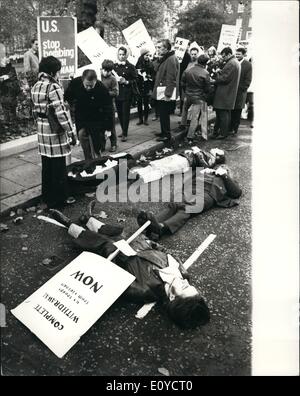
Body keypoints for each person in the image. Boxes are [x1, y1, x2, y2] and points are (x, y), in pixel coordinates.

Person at [49, 209, 211, 329]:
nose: (185, 282)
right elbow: (166, 252)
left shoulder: (144, 292)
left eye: (184, 287)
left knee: (94, 239)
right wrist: (150, 243)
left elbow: (112, 278)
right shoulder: (183, 274)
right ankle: (89, 218)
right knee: (110, 229)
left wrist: (112, 256)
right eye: (189, 285)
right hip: (137, 241)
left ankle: (68, 225)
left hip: (114, 252)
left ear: (173, 298)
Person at [137, 165, 242, 240]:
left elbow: (237, 193)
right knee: (174, 204)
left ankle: (162, 227)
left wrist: (225, 176)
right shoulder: (207, 173)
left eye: (225, 168)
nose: (222, 168)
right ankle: (150, 223)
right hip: (192, 189)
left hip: (208, 194)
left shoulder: (227, 180)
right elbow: (186, 183)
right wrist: (200, 173)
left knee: (187, 208)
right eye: (220, 167)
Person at [31, 56, 76, 209]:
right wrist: (71, 132)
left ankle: (47, 197)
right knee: (58, 165)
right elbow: (61, 113)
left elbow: (35, 111)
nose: (58, 74)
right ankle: (60, 199)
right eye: (58, 71)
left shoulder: (36, 86)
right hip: (54, 131)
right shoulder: (53, 87)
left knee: (47, 165)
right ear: (52, 71)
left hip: (42, 129)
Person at [65, 69, 113, 160]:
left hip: (97, 118)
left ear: (95, 81)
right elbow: (67, 97)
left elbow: (108, 109)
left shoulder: (101, 89)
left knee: (97, 143)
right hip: (81, 116)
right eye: (86, 85)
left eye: (91, 86)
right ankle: (88, 160)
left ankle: (98, 159)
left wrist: (108, 128)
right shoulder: (75, 83)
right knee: (82, 135)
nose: (88, 88)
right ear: (82, 80)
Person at [152, 39, 180, 142]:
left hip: (165, 91)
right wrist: (157, 59)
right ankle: (164, 132)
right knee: (162, 113)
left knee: (164, 113)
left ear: (166, 48)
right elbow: (156, 69)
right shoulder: (166, 58)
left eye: (159, 47)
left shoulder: (171, 59)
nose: (157, 49)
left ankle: (166, 134)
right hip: (161, 89)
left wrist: (168, 94)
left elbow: (171, 78)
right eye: (157, 47)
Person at [180, 54, 211, 144]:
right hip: (198, 97)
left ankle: (183, 124)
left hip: (188, 94)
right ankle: (190, 136)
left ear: (197, 60)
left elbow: (182, 82)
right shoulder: (205, 73)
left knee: (185, 109)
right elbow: (207, 88)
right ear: (205, 63)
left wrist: (186, 90)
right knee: (195, 117)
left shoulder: (188, 69)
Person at [212, 47, 241, 139]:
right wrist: (221, 72)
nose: (223, 58)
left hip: (225, 93)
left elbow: (224, 78)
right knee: (225, 114)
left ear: (229, 54)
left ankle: (223, 133)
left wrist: (216, 77)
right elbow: (228, 76)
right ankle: (223, 132)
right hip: (229, 92)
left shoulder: (231, 63)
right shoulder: (235, 62)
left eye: (224, 56)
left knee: (222, 114)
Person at [114, 46, 138, 142]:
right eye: (120, 54)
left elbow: (136, 79)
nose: (121, 56)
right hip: (118, 93)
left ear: (126, 55)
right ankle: (123, 129)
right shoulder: (115, 66)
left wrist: (127, 82)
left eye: (123, 54)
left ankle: (125, 133)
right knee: (119, 113)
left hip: (127, 93)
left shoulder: (131, 66)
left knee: (125, 113)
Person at [230, 48, 252, 135]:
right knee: (230, 110)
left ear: (244, 54)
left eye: (239, 54)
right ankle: (229, 127)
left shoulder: (247, 65)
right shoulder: (233, 62)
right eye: (236, 54)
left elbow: (248, 79)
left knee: (237, 111)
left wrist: (242, 88)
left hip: (240, 92)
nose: (237, 56)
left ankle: (234, 129)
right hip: (231, 91)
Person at [101, 59, 119, 152]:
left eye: (108, 71)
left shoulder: (113, 79)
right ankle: (102, 145)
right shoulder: (98, 76)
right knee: (101, 127)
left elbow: (116, 92)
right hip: (100, 107)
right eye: (105, 70)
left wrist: (106, 93)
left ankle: (114, 144)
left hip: (109, 106)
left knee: (111, 126)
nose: (106, 73)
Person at [0, 56, 21, 131]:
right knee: (6, 110)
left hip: (11, 92)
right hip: (4, 92)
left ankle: (14, 127)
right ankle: (8, 126)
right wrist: (3, 78)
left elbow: (14, 76)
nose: (6, 58)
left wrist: (7, 77)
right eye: (4, 57)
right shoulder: (2, 69)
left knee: (12, 110)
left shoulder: (11, 68)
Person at [136, 48, 155, 126]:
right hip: (140, 86)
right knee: (139, 103)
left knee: (146, 103)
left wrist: (149, 76)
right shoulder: (138, 63)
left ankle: (146, 119)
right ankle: (140, 119)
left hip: (147, 85)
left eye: (149, 55)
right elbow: (135, 73)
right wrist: (139, 74)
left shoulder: (150, 64)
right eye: (146, 55)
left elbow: (153, 74)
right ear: (143, 55)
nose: (148, 57)